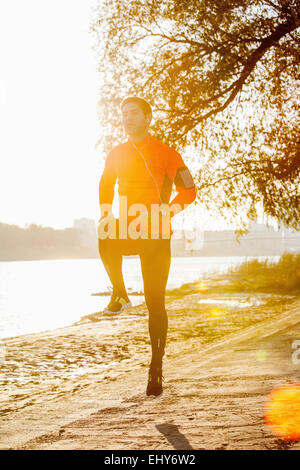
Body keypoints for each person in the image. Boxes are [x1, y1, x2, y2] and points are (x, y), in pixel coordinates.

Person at [98, 96, 196, 396]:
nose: (127, 118)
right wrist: (106, 212)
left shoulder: (168, 154)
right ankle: (120, 293)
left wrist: (170, 210)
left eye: (133, 113)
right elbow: (105, 183)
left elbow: (189, 191)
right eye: (124, 113)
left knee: (156, 303)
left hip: (155, 231)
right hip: (127, 228)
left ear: (148, 118)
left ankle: (156, 368)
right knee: (103, 236)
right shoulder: (116, 153)